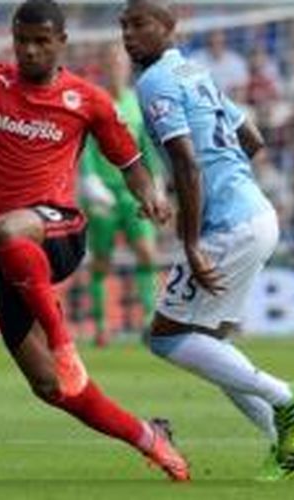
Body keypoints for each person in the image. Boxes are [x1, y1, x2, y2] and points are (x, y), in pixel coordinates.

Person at [0, 0, 189, 481]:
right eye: (22, 41)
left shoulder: (86, 99)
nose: (30, 51)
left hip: (59, 230)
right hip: (3, 252)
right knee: (51, 387)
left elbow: (130, 161)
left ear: (61, 43)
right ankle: (150, 437)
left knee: (7, 228)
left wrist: (150, 195)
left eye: (41, 42)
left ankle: (64, 340)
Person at [119, 0, 294, 480]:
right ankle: (286, 444)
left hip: (228, 225)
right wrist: (223, 173)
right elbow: (250, 136)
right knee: (209, 343)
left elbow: (186, 163)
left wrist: (190, 242)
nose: (128, 34)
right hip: (257, 214)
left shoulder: (155, 83)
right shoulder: (194, 72)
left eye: (140, 24)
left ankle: (286, 397)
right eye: (123, 25)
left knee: (165, 339)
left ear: (169, 26)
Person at [80, 43, 163, 347]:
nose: (116, 67)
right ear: (104, 67)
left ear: (127, 68)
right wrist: (89, 179)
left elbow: (146, 149)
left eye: (120, 62)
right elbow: (86, 145)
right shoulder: (95, 101)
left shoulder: (137, 104)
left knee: (146, 252)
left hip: (133, 190)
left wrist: (156, 187)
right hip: (102, 192)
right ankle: (101, 325)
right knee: (102, 260)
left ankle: (150, 320)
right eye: (111, 62)